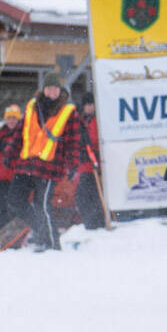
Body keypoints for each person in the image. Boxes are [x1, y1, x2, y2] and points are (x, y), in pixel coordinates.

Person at [2, 71, 85, 252]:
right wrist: (10, 154)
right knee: (15, 200)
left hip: (49, 167)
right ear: (43, 90)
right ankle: (42, 231)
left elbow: (73, 141)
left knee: (43, 205)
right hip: (26, 164)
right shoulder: (32, 106)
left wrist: (73, 164)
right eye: (48, 88)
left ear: (60, 90)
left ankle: (52, 244)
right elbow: (20, 134)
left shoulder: (68, 111)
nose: (51, 92)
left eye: (55, 89)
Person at [74, 93, 106, 230]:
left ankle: (96, 224)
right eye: (87, 105)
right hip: (84, 165)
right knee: (83, 196)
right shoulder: (83, 121)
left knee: (91, 196)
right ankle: (91, 224)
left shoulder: (97, 120)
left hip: (94, 165)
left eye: (91, 104)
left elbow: (96, 141)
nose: (89, 107)